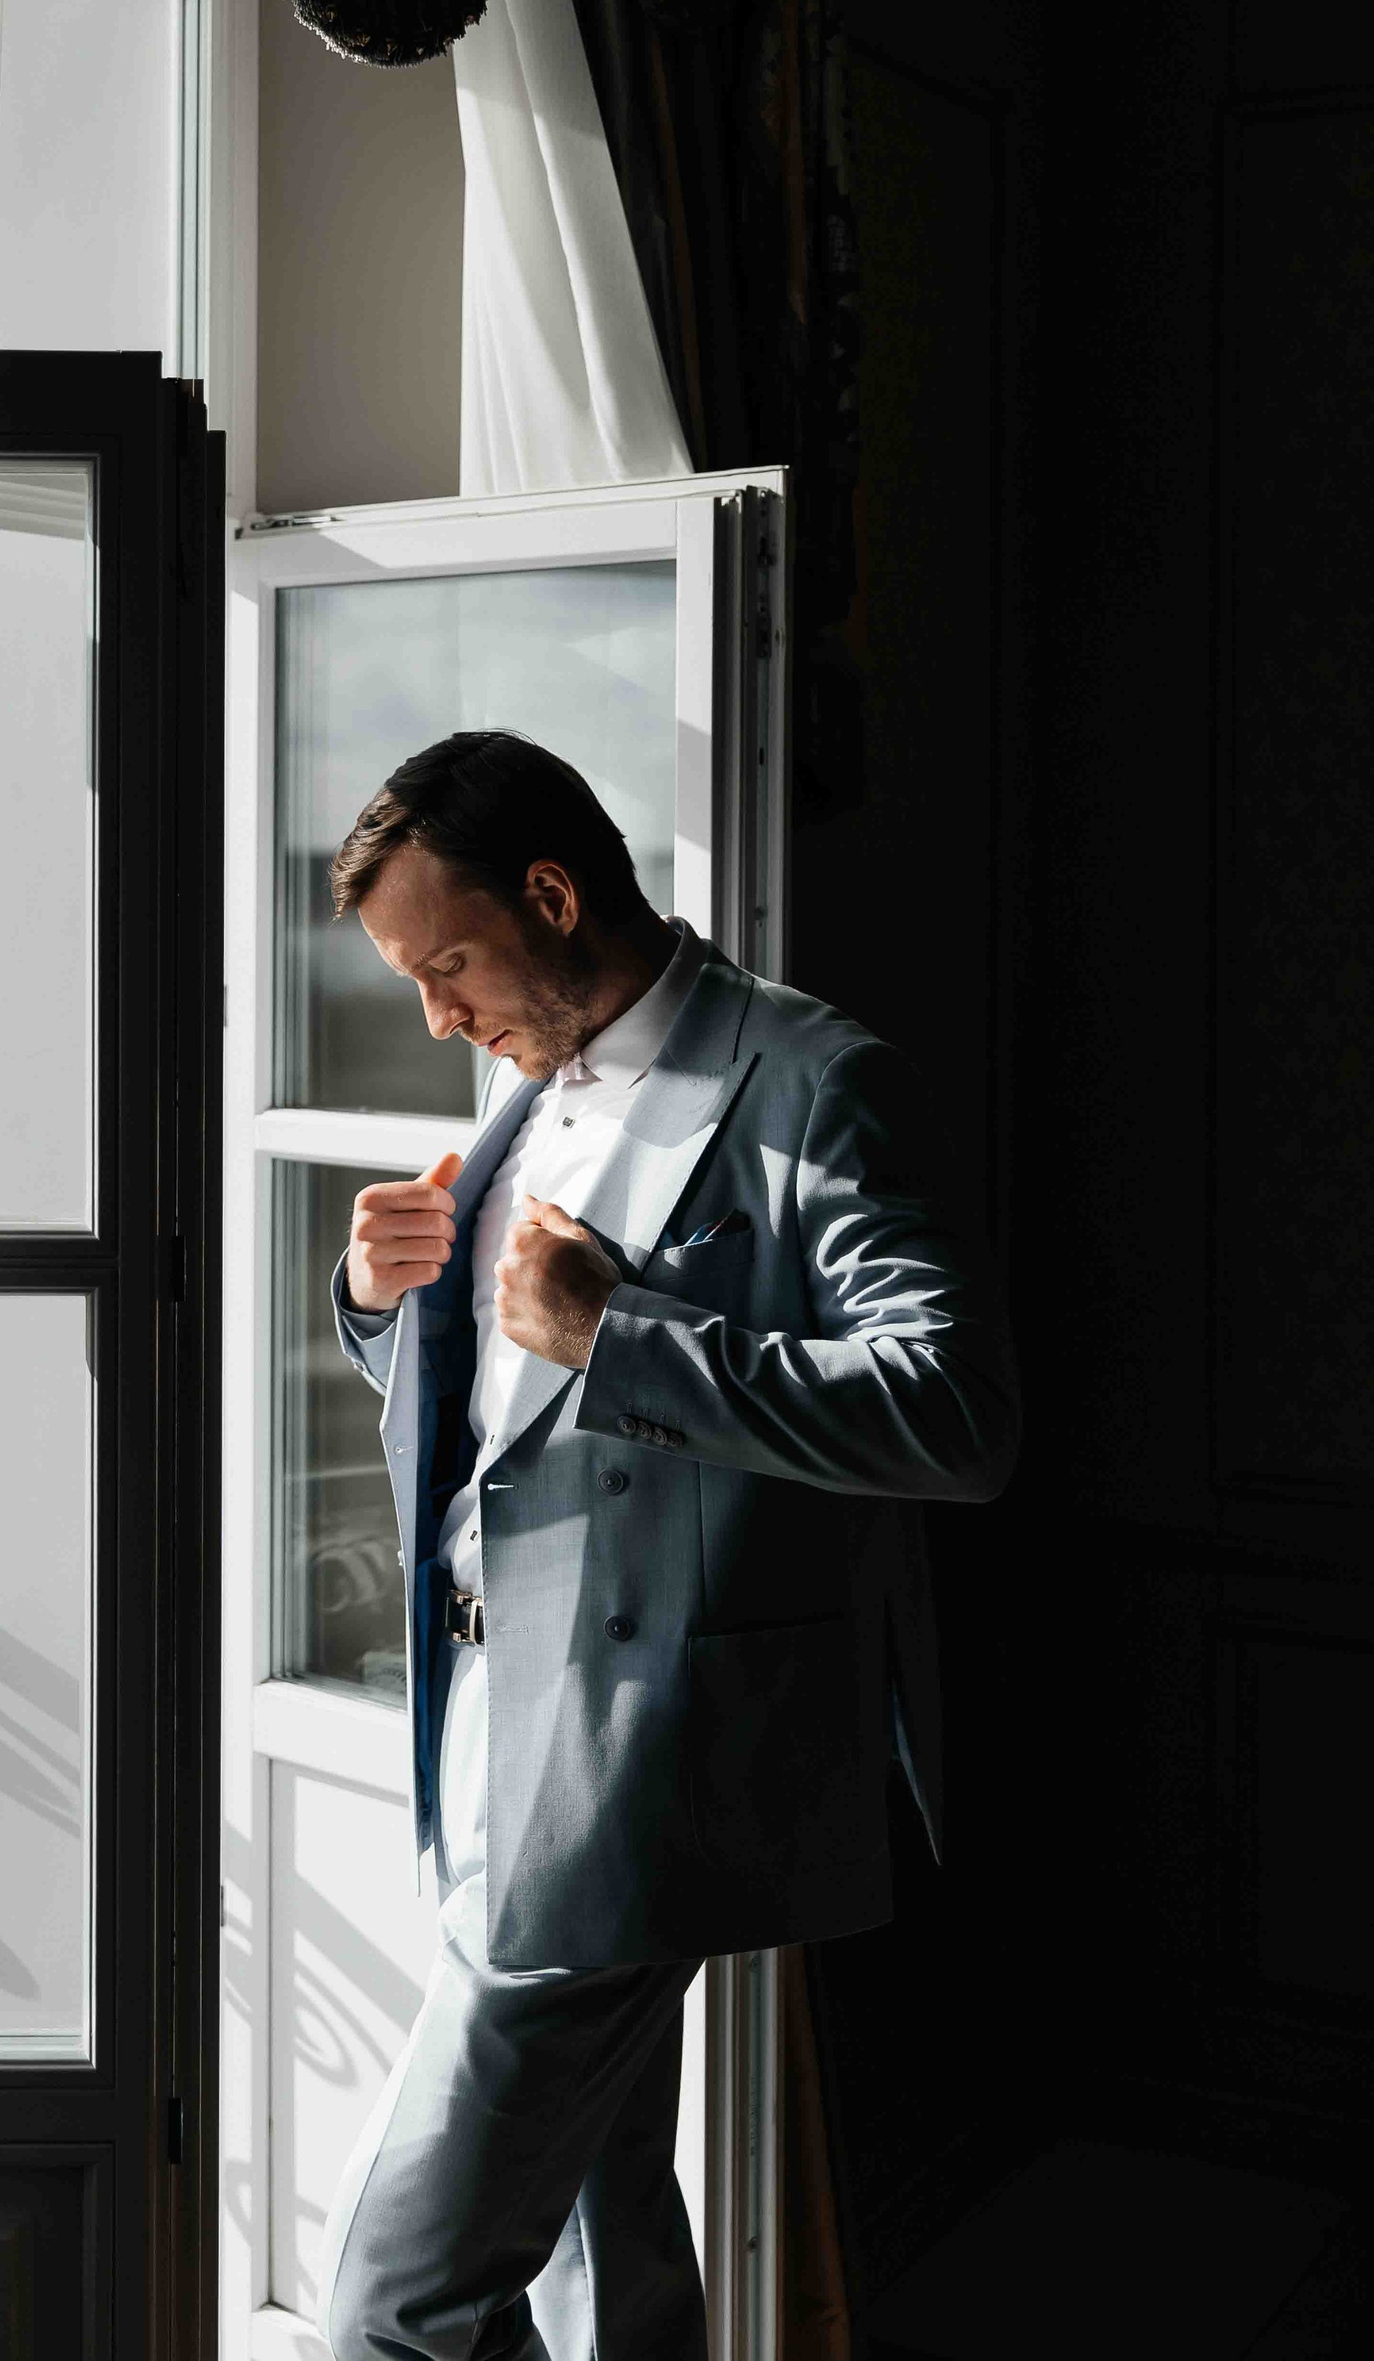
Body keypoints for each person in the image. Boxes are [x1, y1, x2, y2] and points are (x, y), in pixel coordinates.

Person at [316, 729, 1020, 2361]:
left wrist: (622, 1336)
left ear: (554, 897)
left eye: (449, 967)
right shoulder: (528, 1071)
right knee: (601, 2251)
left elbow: (959, 1416)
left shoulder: (817, 1081)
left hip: (631, 1759)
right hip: (475, 1728)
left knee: (392, 2305)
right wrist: (377, 1300)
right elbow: (508, 1402)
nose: (438, 1018)